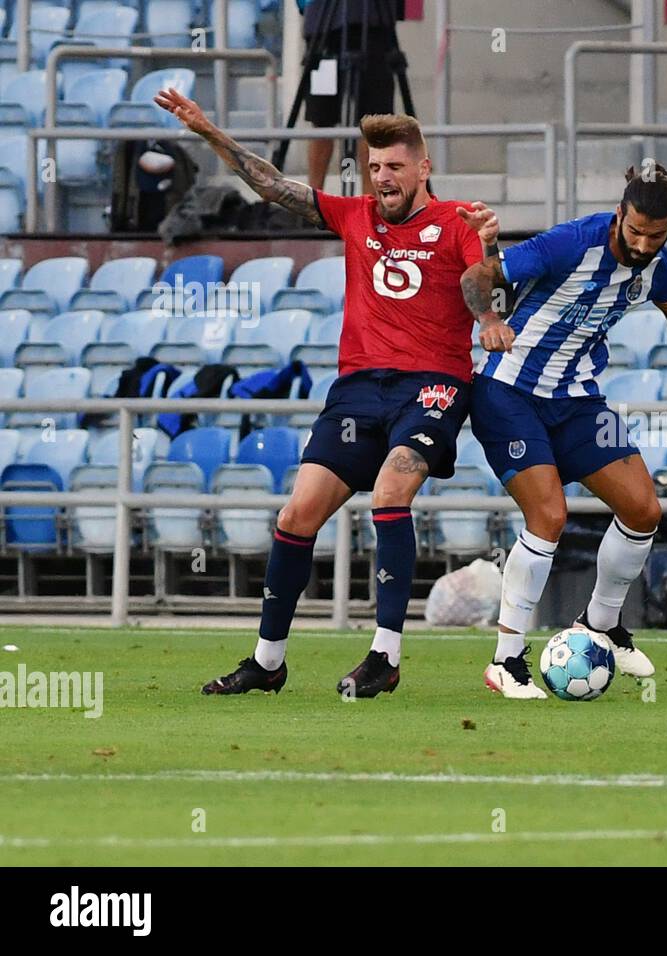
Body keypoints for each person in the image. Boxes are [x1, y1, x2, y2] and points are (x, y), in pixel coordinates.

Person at [155, 89, 498, 698]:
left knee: (392, 489)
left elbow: (478, 280)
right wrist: (209, 131)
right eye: (373, 167)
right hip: (358, 390)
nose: (382, 177)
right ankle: (267, 662)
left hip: (434, 385)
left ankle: (385, 656)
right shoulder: (355, 215)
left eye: (394, 166)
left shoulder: (458, 223)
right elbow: (274, 186)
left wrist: (488, 311)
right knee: (296, 514)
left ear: (424, 168)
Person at [459, 163, 667, 699]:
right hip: (507, 390)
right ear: (620, 214)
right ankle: (505, 661)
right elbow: (481, 276)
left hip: (575, 397)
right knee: (549, 514)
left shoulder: (656, 268)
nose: (643, 244)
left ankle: (599, 624)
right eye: (636, 230)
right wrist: (488, 322)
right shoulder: (570, 243)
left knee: (644, 509)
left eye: (656, 235)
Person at [301, 0, 403, 194]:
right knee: (322, 117)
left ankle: (369, 204)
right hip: (326, 27)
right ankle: (313, 202)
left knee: (374, 122)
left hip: (373, 23)